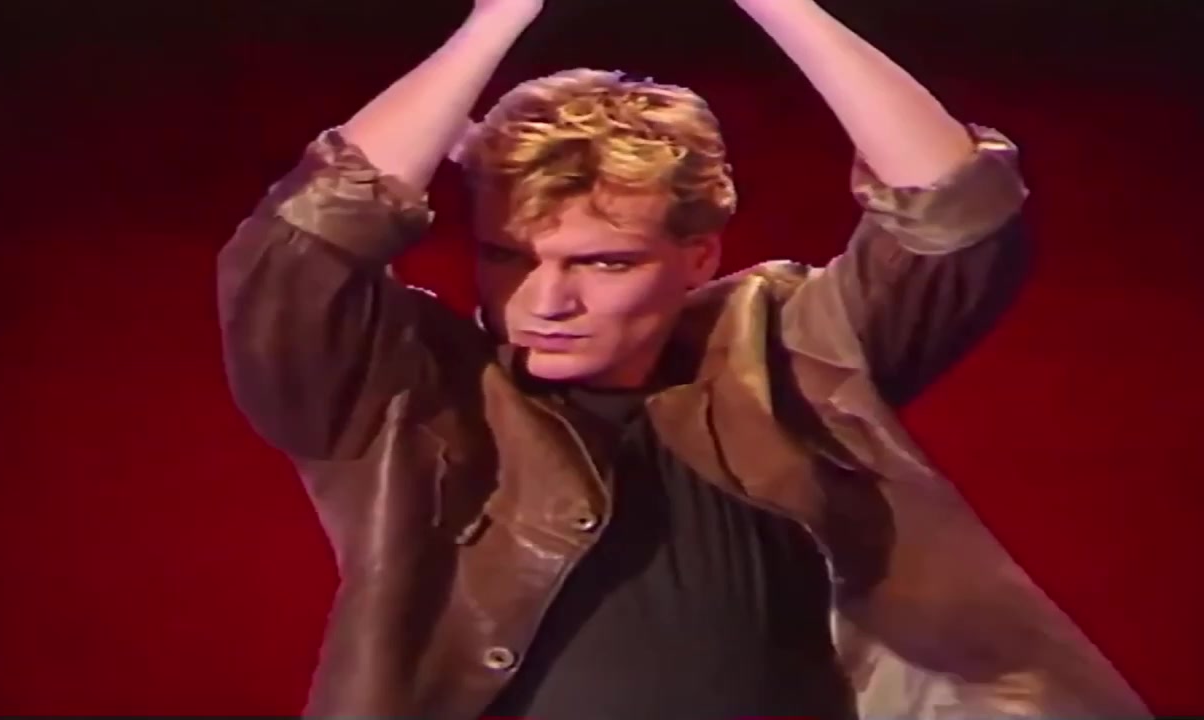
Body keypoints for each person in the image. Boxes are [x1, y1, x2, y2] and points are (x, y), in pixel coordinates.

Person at [216, 0, 1150, 717]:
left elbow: (956, 208)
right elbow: (302, 253)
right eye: (508, 256)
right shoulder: (408, 395)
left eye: (604, 263)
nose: (546, 300)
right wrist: (498, 17)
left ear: (699, 256)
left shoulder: (787, 356)